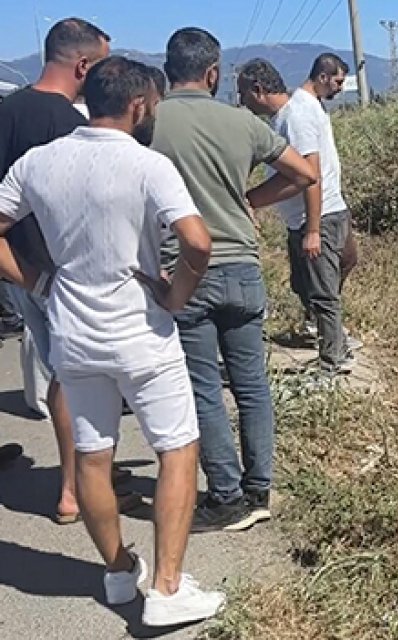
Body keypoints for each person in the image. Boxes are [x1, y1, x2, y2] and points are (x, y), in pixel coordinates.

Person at [0, 55, 224, 626]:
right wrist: (176, 295)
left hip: (74, 332)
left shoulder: (36, 163)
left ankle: (122, 573)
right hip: (141, 334)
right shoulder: (148, 164)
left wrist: (36, 279)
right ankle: (168, 589)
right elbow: (197, 243)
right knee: (177, 449)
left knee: (92, 459)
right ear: (139, 104)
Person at [151, 27, 317, 533]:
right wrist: (252, 200)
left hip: (184, 270)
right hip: (241, 267)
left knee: (203, 388)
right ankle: (259, 489)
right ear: (213, 72)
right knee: (252, 387)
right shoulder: (241, 122)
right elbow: (303, 174)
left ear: (167, 69)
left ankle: (225, 497)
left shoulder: (149, 123)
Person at [0, 17, 143, 524]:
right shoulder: (70, 127)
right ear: (83, 65)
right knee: (76, 378)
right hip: (62, 274)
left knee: (67, 372)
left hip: (19, 270)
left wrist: (25, 277)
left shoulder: (8, 111)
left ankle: (86, 472)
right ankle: (75, 489)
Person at [237, 56, 354, 375]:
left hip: (315, 217)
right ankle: (336, 343)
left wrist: (312, 229)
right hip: (314, 215)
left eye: (242, 94)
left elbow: (308, 175)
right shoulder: (293, 113)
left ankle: (332, 363)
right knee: (308, 285)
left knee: (322, 292)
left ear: (257, 90)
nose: (241, 103)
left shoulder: (294, 117)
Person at [297, 53, 362, 352]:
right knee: (324, 285)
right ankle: (332, 353)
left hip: (335, 203)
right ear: (322, 77)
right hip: (320, 209)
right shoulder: (302, 111)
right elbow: (310, 172)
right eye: (337, 80)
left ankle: (320, 319)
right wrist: (312, 226)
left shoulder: (316, 107)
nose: (340, 86)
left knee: (347, 260)